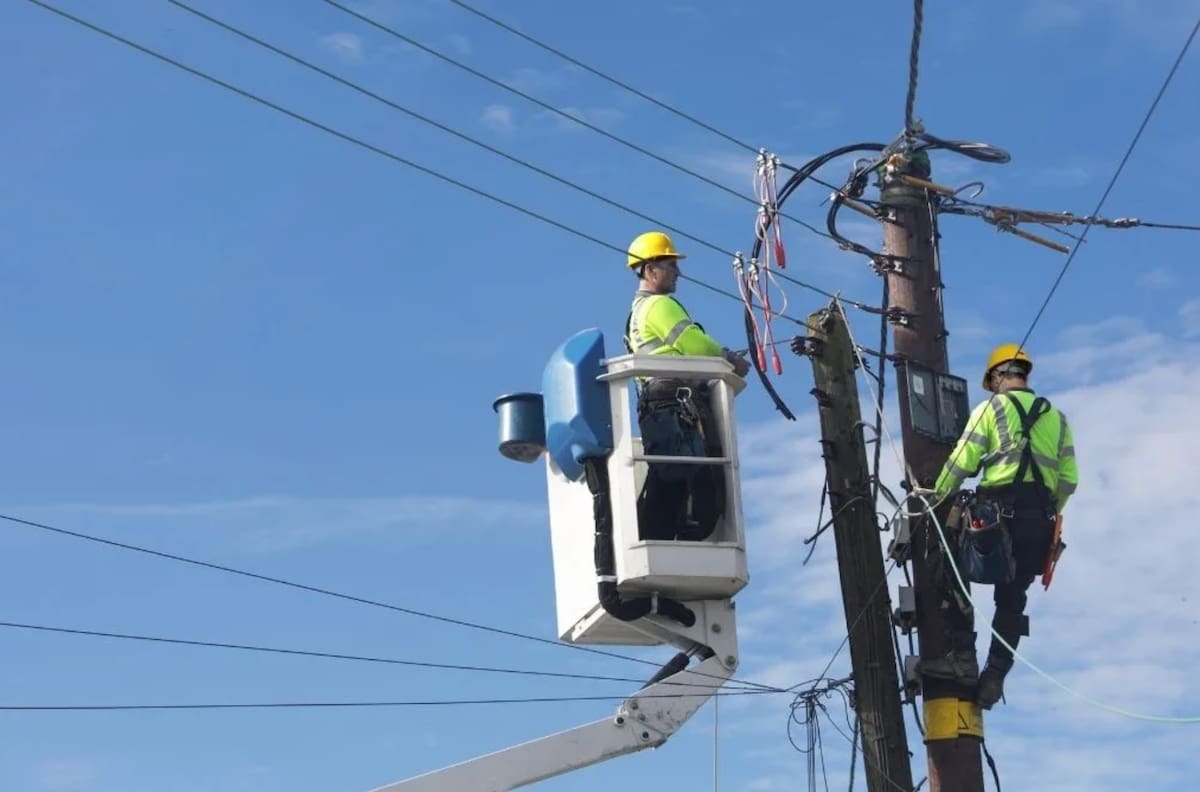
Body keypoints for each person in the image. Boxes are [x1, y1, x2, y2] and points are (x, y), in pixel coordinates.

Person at [928, 343, 1079, 709]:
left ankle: (962, 656)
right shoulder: (1057, 418)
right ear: (1024, 375)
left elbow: (962, 461)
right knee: (1012, 601)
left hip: (994, 518)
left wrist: (935, 497)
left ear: (997, 377)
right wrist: (1047, 510)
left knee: (946, 559)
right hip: (1039, 524)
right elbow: (1069, 479)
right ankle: (994, 675)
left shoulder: (990, 409)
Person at [621, 231, 750, 541]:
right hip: (673, 403)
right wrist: (728, 358)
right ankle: (668, 538)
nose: (678, 273)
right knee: (688, 477)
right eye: (670, 265)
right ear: (650, 270)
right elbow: (694, 345)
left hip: (659, 405)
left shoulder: (636, 314)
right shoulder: (660, 306)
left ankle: (658, 538)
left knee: (671, 478)